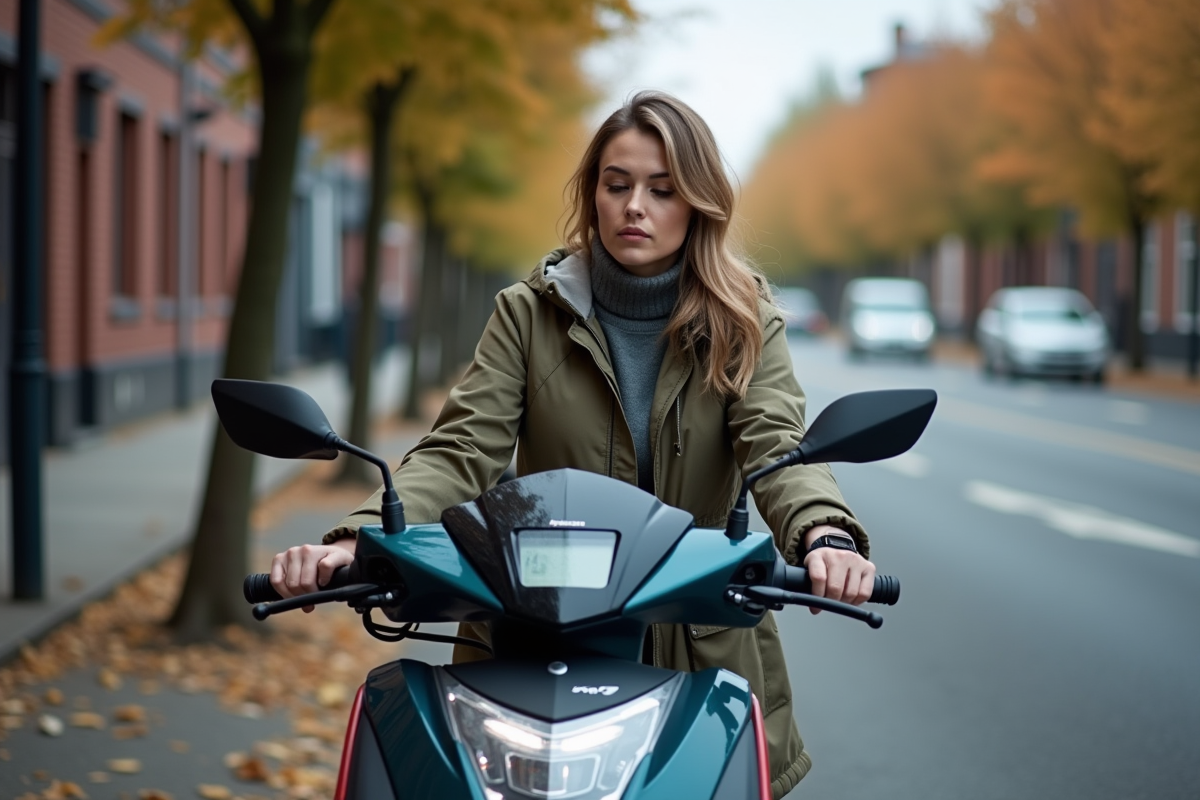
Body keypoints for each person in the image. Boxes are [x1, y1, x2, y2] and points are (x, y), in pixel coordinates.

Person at [269, 90, 875, 799]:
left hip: (695, 650)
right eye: (616, 185)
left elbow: (776, 444)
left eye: (662, 188)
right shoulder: (527, 314)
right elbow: (461, 447)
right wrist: (356, 538)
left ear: (700, 202)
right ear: (593, 196)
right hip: (530, 638)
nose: (634, 207)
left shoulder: (748, 324)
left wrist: (824, 534)